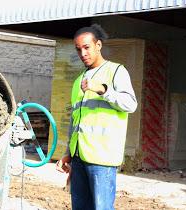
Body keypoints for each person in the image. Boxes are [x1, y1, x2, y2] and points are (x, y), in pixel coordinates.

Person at [56, 24, 137, 210]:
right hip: (79, 158)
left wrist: (102, 89)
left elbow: (130, 104)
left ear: (98, 45)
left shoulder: (116, 71)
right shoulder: (78, 81)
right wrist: (69, 153)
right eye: (78, 49)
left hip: (102, 160)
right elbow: (75, 121)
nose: (82, 53)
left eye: (86, 47)